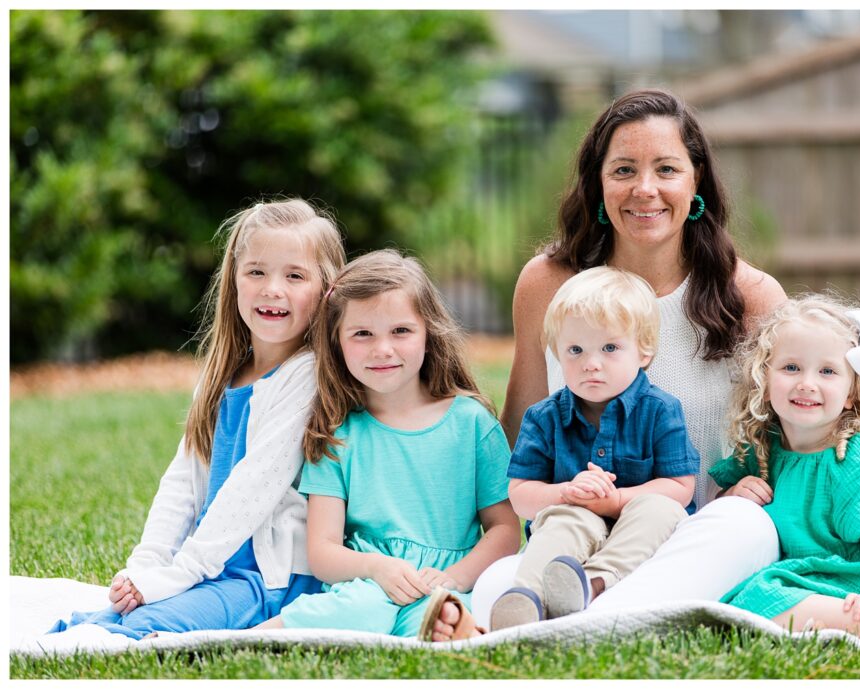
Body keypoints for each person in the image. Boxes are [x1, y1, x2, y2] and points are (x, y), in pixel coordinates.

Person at [429, 88, 860, 641]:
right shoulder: (549, 283)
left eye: (666, 169)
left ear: (695, 181)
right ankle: (585, 613)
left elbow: (825, 434)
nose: (644, 189)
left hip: (699, 534)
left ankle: (569, 627)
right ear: (597, 184)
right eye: (623, 169)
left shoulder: (748, 294)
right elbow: (519, 427)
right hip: (576, 536)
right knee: (497, 582)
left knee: (746, 526)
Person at [48, 198, 347, 638]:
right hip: (213, 564)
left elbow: (254, 485)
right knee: (106, 619)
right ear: (235, 280)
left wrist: (176, 576)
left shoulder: (306, 375)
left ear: (327, 289)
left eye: (295, 275)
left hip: (269, 580)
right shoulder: (222, 374)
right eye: (256, 271)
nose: (272, 289)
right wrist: (148, 564)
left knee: (145, 627)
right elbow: (183, 481)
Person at [252, 249, 520, 639]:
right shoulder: (337, 434)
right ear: (337, 341)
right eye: (362, 334)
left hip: (448, 582)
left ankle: (449, 624)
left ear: (428, 332)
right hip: (366, 585)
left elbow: (506, 530)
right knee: (364, 610)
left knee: (462, 602)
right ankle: (252, 638)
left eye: (400, 331)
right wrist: (377, 569)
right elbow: (323, 552)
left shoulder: (472, 423)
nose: (383, 349)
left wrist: (454, 578)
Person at [709, 294, 860, 651]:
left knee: (759, 597)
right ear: (764, 379)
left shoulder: (855, 457)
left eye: (827, 371)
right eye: (791, 368)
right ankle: (858, 624)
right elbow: (718, 500)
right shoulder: (764, 446)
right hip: (804, 577)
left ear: (851, 393)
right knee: (748, 597)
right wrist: (733, 495)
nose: (807, 383)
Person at [489, 266, 698, 631]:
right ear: (557, 353)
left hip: (638, 532)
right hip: (573, 528)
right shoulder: (544, 418)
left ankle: (592, 583)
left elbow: (681, 487)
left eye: (610, 348)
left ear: (644, 351)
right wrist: (566, 492)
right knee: (565, 519)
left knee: (660, 509)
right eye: (575, 350)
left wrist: (616, 501)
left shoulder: (660, 410)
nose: (591, 364)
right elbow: (521, 496)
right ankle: (526, 598)